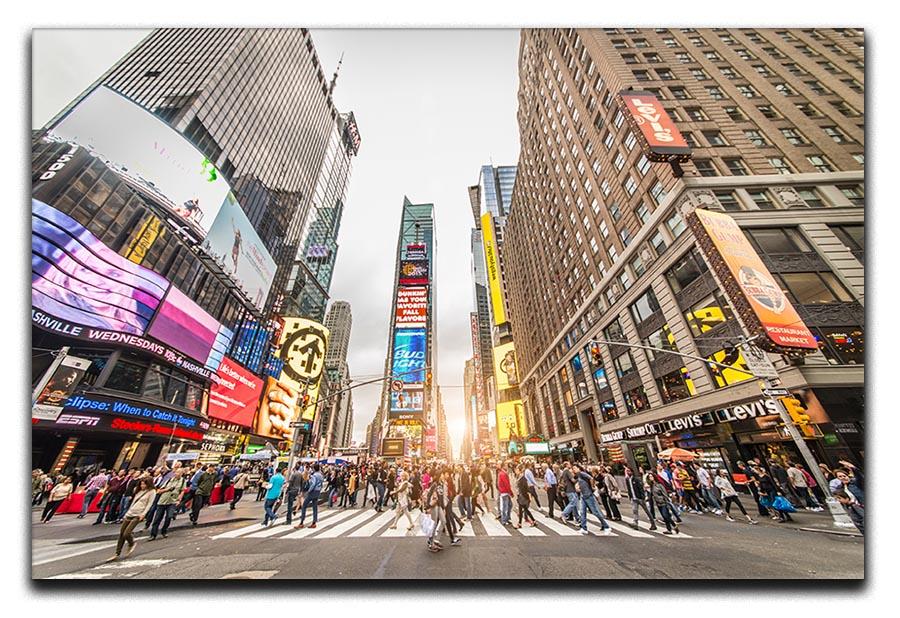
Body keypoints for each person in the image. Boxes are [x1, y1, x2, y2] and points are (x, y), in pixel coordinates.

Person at [106, 478, 155, 562]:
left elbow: (149, 504)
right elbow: (133, 503)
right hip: (131, 512)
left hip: (138, 514)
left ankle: (131, 543)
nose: (142, 486)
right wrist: (127, 512)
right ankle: (117, 553)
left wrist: (144, 514)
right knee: (121, 533)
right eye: (141, 484)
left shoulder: (152, 492)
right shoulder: (138, 491)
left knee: (127, 533)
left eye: (144, 484)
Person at [148, 467, 185, 540]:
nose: (178, 474)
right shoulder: (168, 480)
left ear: (182, 474)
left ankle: (164, 531)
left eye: (180, 473)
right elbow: (159, 491)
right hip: (162, 501)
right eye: (177, 472)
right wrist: (167, 489)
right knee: (157, 518)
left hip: (172, 501)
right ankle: (153, 534)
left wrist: (179, 500)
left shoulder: (183, 481)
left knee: (169, 517)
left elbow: (182, 491)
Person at [574, 465, 612, 536]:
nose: (574, 470)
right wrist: (579, 488)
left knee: (595, 512)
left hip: (588, 495)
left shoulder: (582, 473)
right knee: (582, 512)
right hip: (583, 495)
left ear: (578, 468)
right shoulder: (578, 475)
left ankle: (607, 527)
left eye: (575, 468)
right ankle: (584, 528)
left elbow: (591, 478)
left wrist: (591, 487)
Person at [624, 466, 657, 531]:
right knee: (634, 511)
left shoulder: (636, 479)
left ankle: (653, 524)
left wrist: (643, 497)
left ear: (632, 472)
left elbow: (641, 488)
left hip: (639, 498)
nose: (628, 472)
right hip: (634, 498)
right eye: (627, 471)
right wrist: (630, 496)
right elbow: (629, 489)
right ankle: (635, 523)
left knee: (647, 511)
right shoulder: (628, 479)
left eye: (629, 471)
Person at [295, 464, 324, 529]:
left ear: (314, 469)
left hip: (313, 491)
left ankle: (301, 522)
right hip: (318, 491)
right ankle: (314, 522)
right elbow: (321, 484)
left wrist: (309, 491)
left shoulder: (314, 476)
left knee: (304, 505)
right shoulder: (321, 475)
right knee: (315, 507)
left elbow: (313, 484)